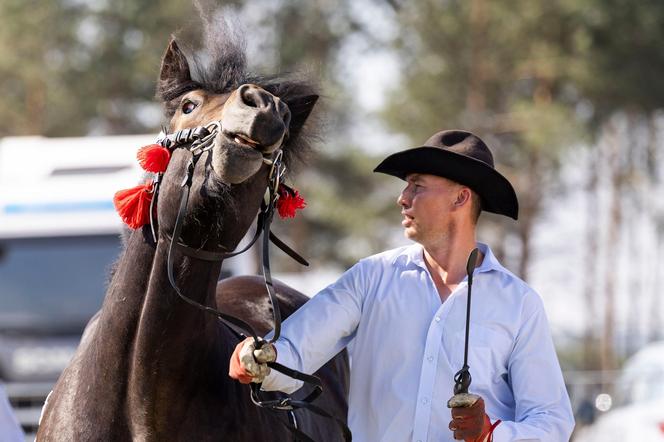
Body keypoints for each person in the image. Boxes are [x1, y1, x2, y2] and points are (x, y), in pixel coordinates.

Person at [229, 130, 575, 441]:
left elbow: (552, 421)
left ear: (460, 198)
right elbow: (297, 349)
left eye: (417, 185)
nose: (402, 198)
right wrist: (262, 357)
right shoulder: (370, 278)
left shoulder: (518, 304)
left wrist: (491, 435)